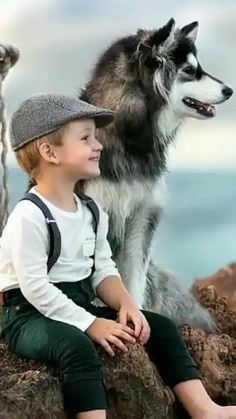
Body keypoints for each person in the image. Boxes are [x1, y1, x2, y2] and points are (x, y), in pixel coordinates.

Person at [0, 93, 235, 419]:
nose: (99, 145)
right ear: (49, 152)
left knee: (162, 328)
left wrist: (125, 303)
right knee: (77, 347)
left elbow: (102, 270)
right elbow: (35, 287)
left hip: (78, 304)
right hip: (28, 315)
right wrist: (91, 323)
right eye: (85, 138)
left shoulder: (91, 211)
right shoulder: (31, 215)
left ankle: (205, 409)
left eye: (96, 137)